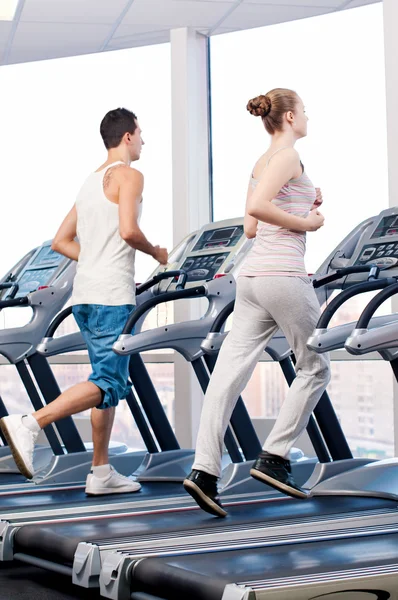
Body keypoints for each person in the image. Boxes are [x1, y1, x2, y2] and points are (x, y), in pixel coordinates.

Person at [0, 107, 168, 495]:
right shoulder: (130, 175)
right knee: (109, 381)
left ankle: (101, 471)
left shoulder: (89, 184)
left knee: (102, 382)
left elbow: (60, 242)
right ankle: (29, 424)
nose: (144, 140)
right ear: (127, 136)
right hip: (111, 296)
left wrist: (95, 257)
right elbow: (128, 230)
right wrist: (156, 252)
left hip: (86, 296)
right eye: (141, 133)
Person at [183, 88, 330, 517]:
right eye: (304, 109)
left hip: (249, 280)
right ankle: (275, 457)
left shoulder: (262, 163)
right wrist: (308, 222)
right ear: (288, 117)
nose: (307, 115)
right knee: (315, 366)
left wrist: (305, 200)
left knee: (227, 375)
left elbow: (250, 227)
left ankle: (204, 471)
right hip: (283, 276)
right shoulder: (287, 157)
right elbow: (258, 206)